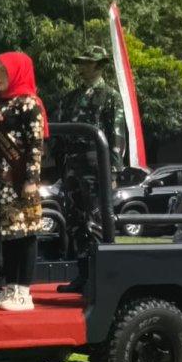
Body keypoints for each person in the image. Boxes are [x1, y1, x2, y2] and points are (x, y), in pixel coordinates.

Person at [55, 45, 127, 294]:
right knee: (75, 222)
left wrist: (114, 171)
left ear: (99, 65)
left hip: (96, 164)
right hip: (72, 165)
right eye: (81, 62)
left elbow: (116, 134)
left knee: (96, 221)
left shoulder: (109, 96)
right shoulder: (70, 97)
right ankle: (83, 275)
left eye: (87, 62)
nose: (82, 67)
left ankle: (101, 279)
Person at [0, 51, 48, 312]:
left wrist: (31, 178)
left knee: (26, 234)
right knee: (7, 235)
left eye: (3, 72)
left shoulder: (30, 104)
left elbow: (35, 144)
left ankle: (24, 292)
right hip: (1, 182)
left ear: (17, 72)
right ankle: (9, 288)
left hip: (21, 180)